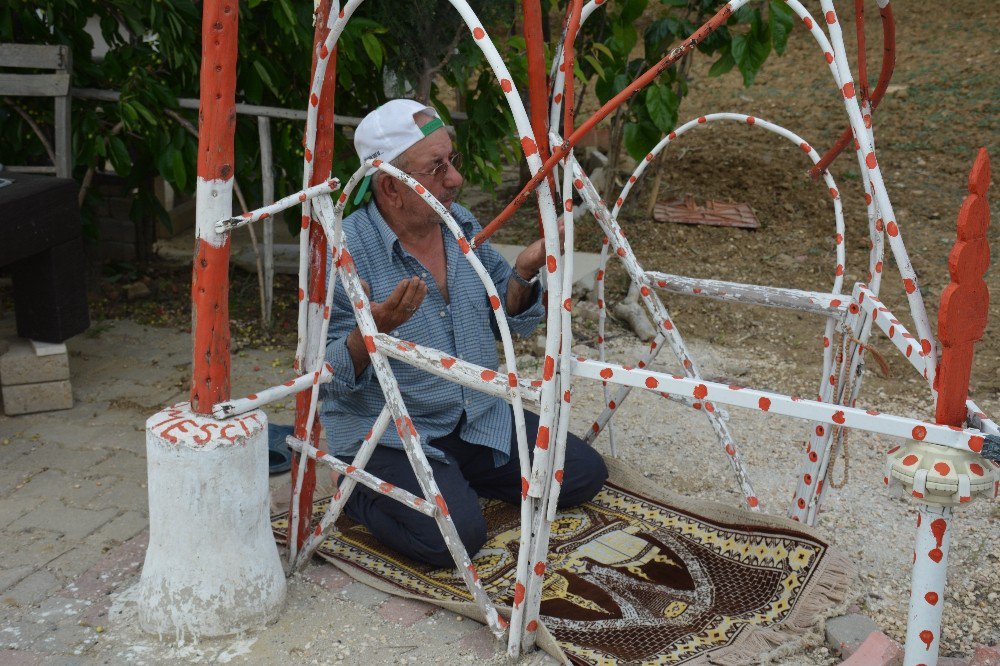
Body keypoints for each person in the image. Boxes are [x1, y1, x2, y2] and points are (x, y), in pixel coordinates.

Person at [321, 99, 607, 567]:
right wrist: (371, 335)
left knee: (582, 475)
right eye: (437, 168)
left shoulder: (460, 225)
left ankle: (454, 479)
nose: (454, 179)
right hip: (394, 430)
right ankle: (357, 490)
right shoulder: (344, 251)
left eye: (451, 161)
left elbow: (505, 315)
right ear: (391, 188)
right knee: (454, 540)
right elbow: (326, 373)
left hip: (476, 414)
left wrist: (522, 271)